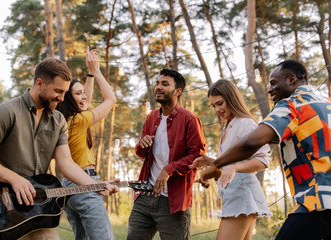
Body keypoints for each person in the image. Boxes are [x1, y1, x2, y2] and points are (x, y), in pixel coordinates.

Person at [0, 57, 118, 240]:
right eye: (58, 91)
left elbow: (66, 164)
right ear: (39, 83)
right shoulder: (7, 111)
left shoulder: (58, 121)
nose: (62, 98)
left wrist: (97, 186)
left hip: (32, 209)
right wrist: (15, 179)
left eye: (64, 92)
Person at [197, 60, 331, 239]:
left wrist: (218, 165)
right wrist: (213, 162)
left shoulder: (291, 105)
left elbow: (251, 144)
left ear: (292, 79)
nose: (269, 89)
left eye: (274, 83)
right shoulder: (327, 103)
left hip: (320, 200)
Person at [126, 68, 206, 240]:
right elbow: (141, 152)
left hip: (173, 201)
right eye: (157, 83)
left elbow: (197, 156)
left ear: (178, 91)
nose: (158, 87)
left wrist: (169, 169)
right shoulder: (151, 117)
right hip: (145, 196)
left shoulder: (190, 119)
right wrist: (142, 144)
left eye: (164, 84)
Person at [189, 79, 271, 240]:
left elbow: (263, 160)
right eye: (213, 106)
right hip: (234, 194)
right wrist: (210, 161)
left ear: (231, 99)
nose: (217, 109)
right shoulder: (227, 126)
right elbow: (232, 163)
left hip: (243, 194)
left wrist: (235, 168)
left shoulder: (245, 123)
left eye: (220, 103)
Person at [56, 47, 117, 240]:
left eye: (84, 92)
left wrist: (89, 75)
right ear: (69, 99)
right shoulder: (79, 120)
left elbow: (85, 101)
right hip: (85, 184)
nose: (84, 97)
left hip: (69, 189)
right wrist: (97, 72)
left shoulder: (66, 120)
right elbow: (111, 99)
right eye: (79, 94)